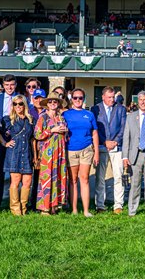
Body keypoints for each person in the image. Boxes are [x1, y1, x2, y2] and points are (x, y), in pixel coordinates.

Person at [63, 88, 99, 217]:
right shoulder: (66, 114)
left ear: (84, 99)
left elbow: (94, 133)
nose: (78, 100)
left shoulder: (89, 115)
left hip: (86, 149)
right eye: (75, 98)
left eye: (80, 98)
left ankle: (86, 210)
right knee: (72, 180)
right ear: (71, 99)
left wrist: (96, 152)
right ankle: (74, 209)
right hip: (71, 150)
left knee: (84, 179)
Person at [92, 86, 127, 214]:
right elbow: (95, 128)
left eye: (113, 97)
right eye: (109, 97)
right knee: (100, 177)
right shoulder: (95, 109)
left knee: (118, 176)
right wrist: (104, 141)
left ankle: (118, 205)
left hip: (116, 147)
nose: (112, 100)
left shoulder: (121, 109)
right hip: (101, 147)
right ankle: (100, 205)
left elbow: (123, 128)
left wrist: (116, 141)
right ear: (103, 97)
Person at [34, 92, 68, 215]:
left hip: (60, 152)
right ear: (47, 104)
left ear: (58, 103)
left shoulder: (61, 118)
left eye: (55, 101)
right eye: (50, 102)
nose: (53, 104)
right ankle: (44, 207)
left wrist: (65, 131)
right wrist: (51, 130)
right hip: (47, 153)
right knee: (46, 178)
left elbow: (66, 135)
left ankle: (54, 205)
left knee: (57, 177)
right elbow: (37, 135)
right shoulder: (43, 117)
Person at [0, 95, 33, 216]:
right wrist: (4, 143)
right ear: (12, 106)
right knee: (15, 181)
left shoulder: (30, 120)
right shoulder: (8, 119)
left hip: (27, 153)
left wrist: (36, 155)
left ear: (24, 105)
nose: (18, 106)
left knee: (27, 181)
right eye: (15, 104)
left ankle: (23, 208)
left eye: (20, 104)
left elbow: (33, 139)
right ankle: (15, 209)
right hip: (14, 153)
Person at [0, 74, 19, 209]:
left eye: (12, 85)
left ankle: (15, 202)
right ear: (3, 85)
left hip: (16, 137)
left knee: (16, 171)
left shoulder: (21, 99)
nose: (9, 87)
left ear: (15, 85)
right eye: (7, 85)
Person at [28, 88, 46, 211]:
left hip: (45, 148)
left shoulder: (48, 112)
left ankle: (42, 203)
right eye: (36, 98)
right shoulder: (29, 112)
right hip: (30, 147)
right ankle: (32, 203)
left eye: (41, 98)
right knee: (32, 177)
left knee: (42, 176)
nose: (38, 100)